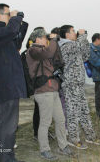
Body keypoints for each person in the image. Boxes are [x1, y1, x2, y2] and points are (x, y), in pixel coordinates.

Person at [0, 3, 28, 162]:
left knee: (4, 123)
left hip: (7, 82)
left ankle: (5, 157)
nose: (11, 17)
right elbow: (10, 31)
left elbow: (16, 41)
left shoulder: (0, 33)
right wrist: (16, 18)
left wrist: (19, 22)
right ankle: (5, 159)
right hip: (6, 83)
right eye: (8, 14)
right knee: (8, 125)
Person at [26, 28, 73, 161]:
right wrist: (53, 39)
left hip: (52, 89)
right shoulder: (33, 51)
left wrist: (55, 41)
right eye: (45, 37)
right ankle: (44, 150)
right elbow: (48, 52)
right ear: (38, 39)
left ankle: (63, 146)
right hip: (43, 91)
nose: (47, 39)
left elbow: (55, 56)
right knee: (45, 122)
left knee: (60, 119)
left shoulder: (44, 51)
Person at [59, 25, 100, 149]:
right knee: (72, 113)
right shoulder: (65, 46)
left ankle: (90, 136)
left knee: (84, 111)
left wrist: (83, 39)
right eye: (73, 31)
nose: (75, 33)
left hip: (78, 85)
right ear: (67, 34)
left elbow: (85, 55)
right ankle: (73, 139)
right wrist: (83, 35)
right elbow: (78, 46)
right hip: (70, 85)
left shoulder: (74, 45)